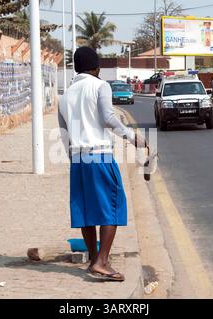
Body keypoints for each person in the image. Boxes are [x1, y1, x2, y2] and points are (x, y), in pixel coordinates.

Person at [58, 47, 149, 282]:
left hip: (78, 160)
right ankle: (101, 262)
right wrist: (133, 136)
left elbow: (64, 135)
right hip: (99, 155)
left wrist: (75, 161)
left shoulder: (65, 96)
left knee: (87, 212)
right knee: (113, 206)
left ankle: (93, 260)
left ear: (77, 68)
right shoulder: (100, 86)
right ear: (96, 68)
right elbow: (108, 118)